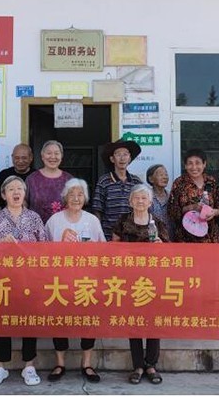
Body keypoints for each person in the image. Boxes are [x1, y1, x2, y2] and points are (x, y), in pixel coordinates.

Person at [0, 175, 48, 387]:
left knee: (29, 321)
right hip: (2, 278)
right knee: (1, 322)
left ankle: (29, 365)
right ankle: (0, 366)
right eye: (11, 189)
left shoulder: (34, 217)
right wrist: (1, 243)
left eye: (20, 188)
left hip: (28, 278)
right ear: (4, 195)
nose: (16, 192)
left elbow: (45, 248)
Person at [44, 178, 105, 383]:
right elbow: (43, 250)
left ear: (85, 198)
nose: (76, 198)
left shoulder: (92, 220)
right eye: (72, 194)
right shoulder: (54, 221)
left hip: (86, 280)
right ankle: (60, 363)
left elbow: (103, 250)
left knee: (88, 321)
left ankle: (86, 363)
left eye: (80, 194)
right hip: (60, 280)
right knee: (59, 321)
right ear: (65, 197)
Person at [112, 184, 168, 385]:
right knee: (133, 322)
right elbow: (113, 248)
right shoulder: (122, 221)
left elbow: (170, 254)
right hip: (129, 279)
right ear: (130, 201)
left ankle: (151, 364)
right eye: (136, 198)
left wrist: (161, 247)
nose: (140, 201)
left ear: (150, 202)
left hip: (153, 280)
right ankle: (137, 365)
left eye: (144, 198)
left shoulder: (158, 223)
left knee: (153, 322)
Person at [168, 149, 219, 243]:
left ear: (204, 164)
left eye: (198, 163)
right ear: (185, 166)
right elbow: (171, 211)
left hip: (210, 238)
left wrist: (214, 212)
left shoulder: (210, 181)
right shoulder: (179, 183)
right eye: (190, 163)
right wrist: (191, 208)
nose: (194, 167)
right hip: (185, 238)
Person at [93, 139, 143, 239]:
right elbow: (97, 210)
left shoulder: (136, 182)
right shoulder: (104, 181)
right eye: (118, 154)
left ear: (129, 158)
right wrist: (99, 233)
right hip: (109, 235)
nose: (122, 158)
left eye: (125, 154)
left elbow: (143, 209)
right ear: (112, 159)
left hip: (132, 235)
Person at [25, 140, 73, 224]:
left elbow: (75, 205)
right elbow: (23, 203)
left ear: (61, 156)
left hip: (62, 228)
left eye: (56, 153)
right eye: (49, 153)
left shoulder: (69, 179)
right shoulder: (31, 179)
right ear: (42, 156)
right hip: (35, 227)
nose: (53, 157)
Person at [0, 143, 35, 209]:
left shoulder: (36, 176)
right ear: (12, 157)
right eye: (17, 158)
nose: (20, 161)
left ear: (31, 158)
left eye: (24, 158)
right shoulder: (3, 175)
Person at [146, 164, 173, 240]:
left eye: (166, 174)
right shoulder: (146, 197)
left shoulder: (172, 196)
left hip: (171, 238)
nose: (165, 177)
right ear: (151, 179)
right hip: (152, 238)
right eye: (161, 175)